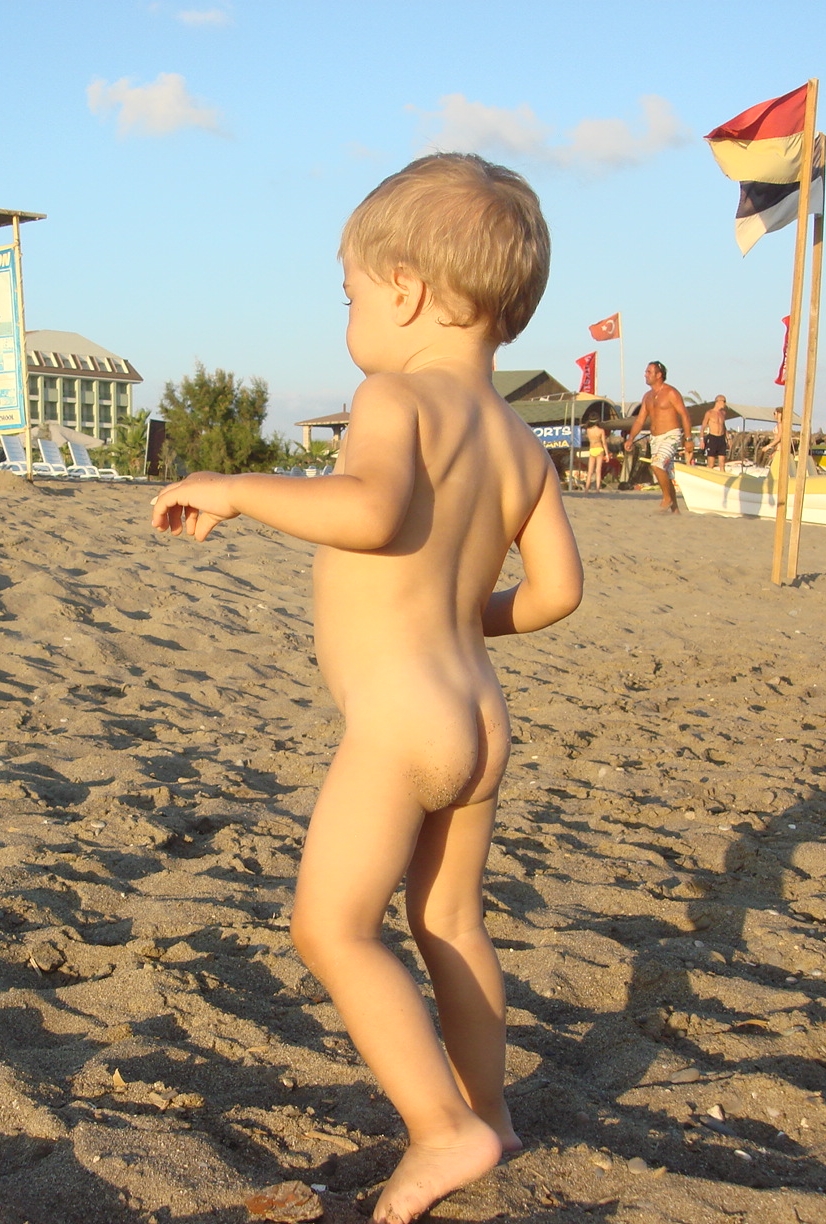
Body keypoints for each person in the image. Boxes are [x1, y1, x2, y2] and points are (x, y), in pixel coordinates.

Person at [151, 153, 583, 1224]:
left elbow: (372, 510)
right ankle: (491, 1113)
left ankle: (442, 1129)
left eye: (347, 295)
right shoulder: (523, 443)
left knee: (333, 929)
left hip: (401, 720)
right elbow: (557, 593)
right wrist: (462, 617)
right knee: (452, 923)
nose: (348, 316)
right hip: (480, 715)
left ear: (406, 291)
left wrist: (237, 490)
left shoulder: (393, 396)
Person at [622, 361, 692, 511]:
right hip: (655, 439)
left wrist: (688, 439)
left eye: (649, 372)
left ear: (659, 375)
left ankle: (667, 499)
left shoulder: (671, 392)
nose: (645, 375)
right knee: (664, 473)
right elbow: (640, 420)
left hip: (671, 435)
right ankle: (675, 510)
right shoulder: (647, 396)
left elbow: (684, 415)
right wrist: (631, 438)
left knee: (656, 464)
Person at [702, 394, 730, 471]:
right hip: (712, 438)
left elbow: (723, 426)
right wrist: (702, 440)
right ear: (718, 401)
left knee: (722, 464)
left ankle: (723, 477)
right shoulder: (709, 413)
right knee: (711, 464)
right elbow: (703, 427)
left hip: (721, 438)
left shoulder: (723, 413)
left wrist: (728, 438)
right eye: (724, 401)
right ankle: (708, 476)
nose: (725, 403)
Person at [583, 417, 608, 490]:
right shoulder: (601, 430)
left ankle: (586, 489)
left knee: (590, 471)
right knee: (598, 470)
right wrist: (607, 454)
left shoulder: (588, 430)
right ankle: (597, 489)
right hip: (599, 448)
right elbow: (604, 443)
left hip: (592, 449)